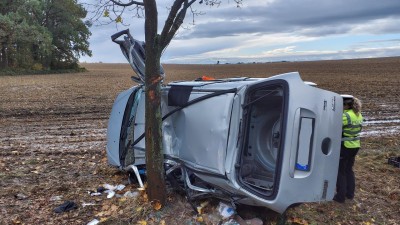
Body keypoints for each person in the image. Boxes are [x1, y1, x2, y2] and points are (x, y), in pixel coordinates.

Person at [334, 95, 363, 203]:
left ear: (346, 105)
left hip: (345, 146)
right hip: (355, 145)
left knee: (340, 171)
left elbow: (335, 126)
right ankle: (350, 194)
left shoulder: (346, 115)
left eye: (342, 105)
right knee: (349, 170)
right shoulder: (358, 114)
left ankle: (340, 196)